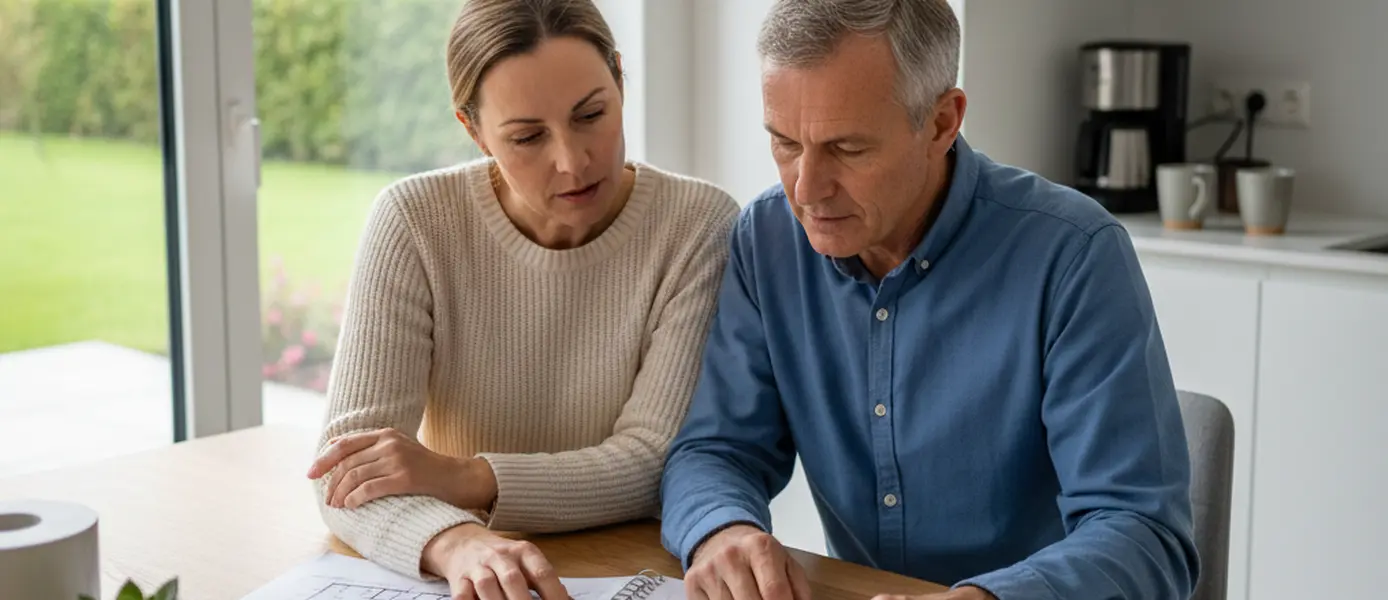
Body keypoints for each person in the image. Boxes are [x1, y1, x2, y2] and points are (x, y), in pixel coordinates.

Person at [659, 1, 1200, 600]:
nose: (806, 190)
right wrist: (721, 531)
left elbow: (1144, 535)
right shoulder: (767, 241)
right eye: (785, 143)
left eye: (847, 148)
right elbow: (718, 448)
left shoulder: (1073, 254)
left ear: (943, 122)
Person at [303, 1, 739, 599]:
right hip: (472, 576)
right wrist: (455, 541)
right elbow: (343, 474)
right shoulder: (414, 221)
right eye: (528, 136)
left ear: (618, 76)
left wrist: (461, 477)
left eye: (591, 114)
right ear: (473, 130)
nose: (572, 160)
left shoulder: (696, 225)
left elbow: (652, 464)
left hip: (631, 570)